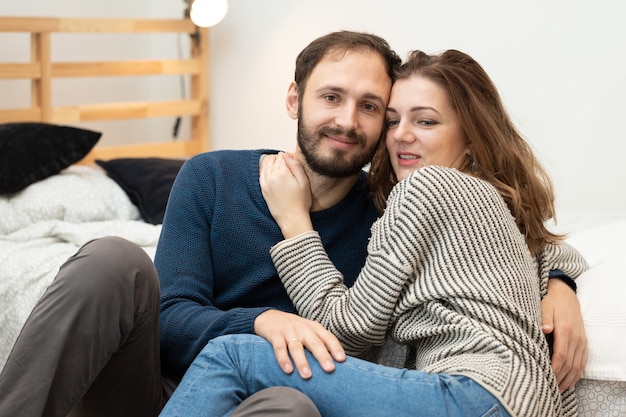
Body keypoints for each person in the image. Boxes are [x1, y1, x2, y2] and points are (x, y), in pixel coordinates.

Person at [0, 32, 582, 416]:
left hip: (254, 403)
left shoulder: (390, 207)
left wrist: (562, 282)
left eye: (371, 107)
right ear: (294, 99)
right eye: (331, 97)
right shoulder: (209, 177)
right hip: (148, 387)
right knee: (112, 258)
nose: (347, 120)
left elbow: (501, 240)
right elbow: (169, 317)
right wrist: (264, 321)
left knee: (291, 406)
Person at [159, 49, 589, 417]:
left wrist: (295, 223)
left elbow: (347, 331)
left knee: (231, 353)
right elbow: (544, 246)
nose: (401, 134)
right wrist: (561, 285)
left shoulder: (425, 187)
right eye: (393, 119)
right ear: (295, 99)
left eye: (425, 122)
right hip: (516, 400)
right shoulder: (487, 200)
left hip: (475, 394)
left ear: (471, 140)